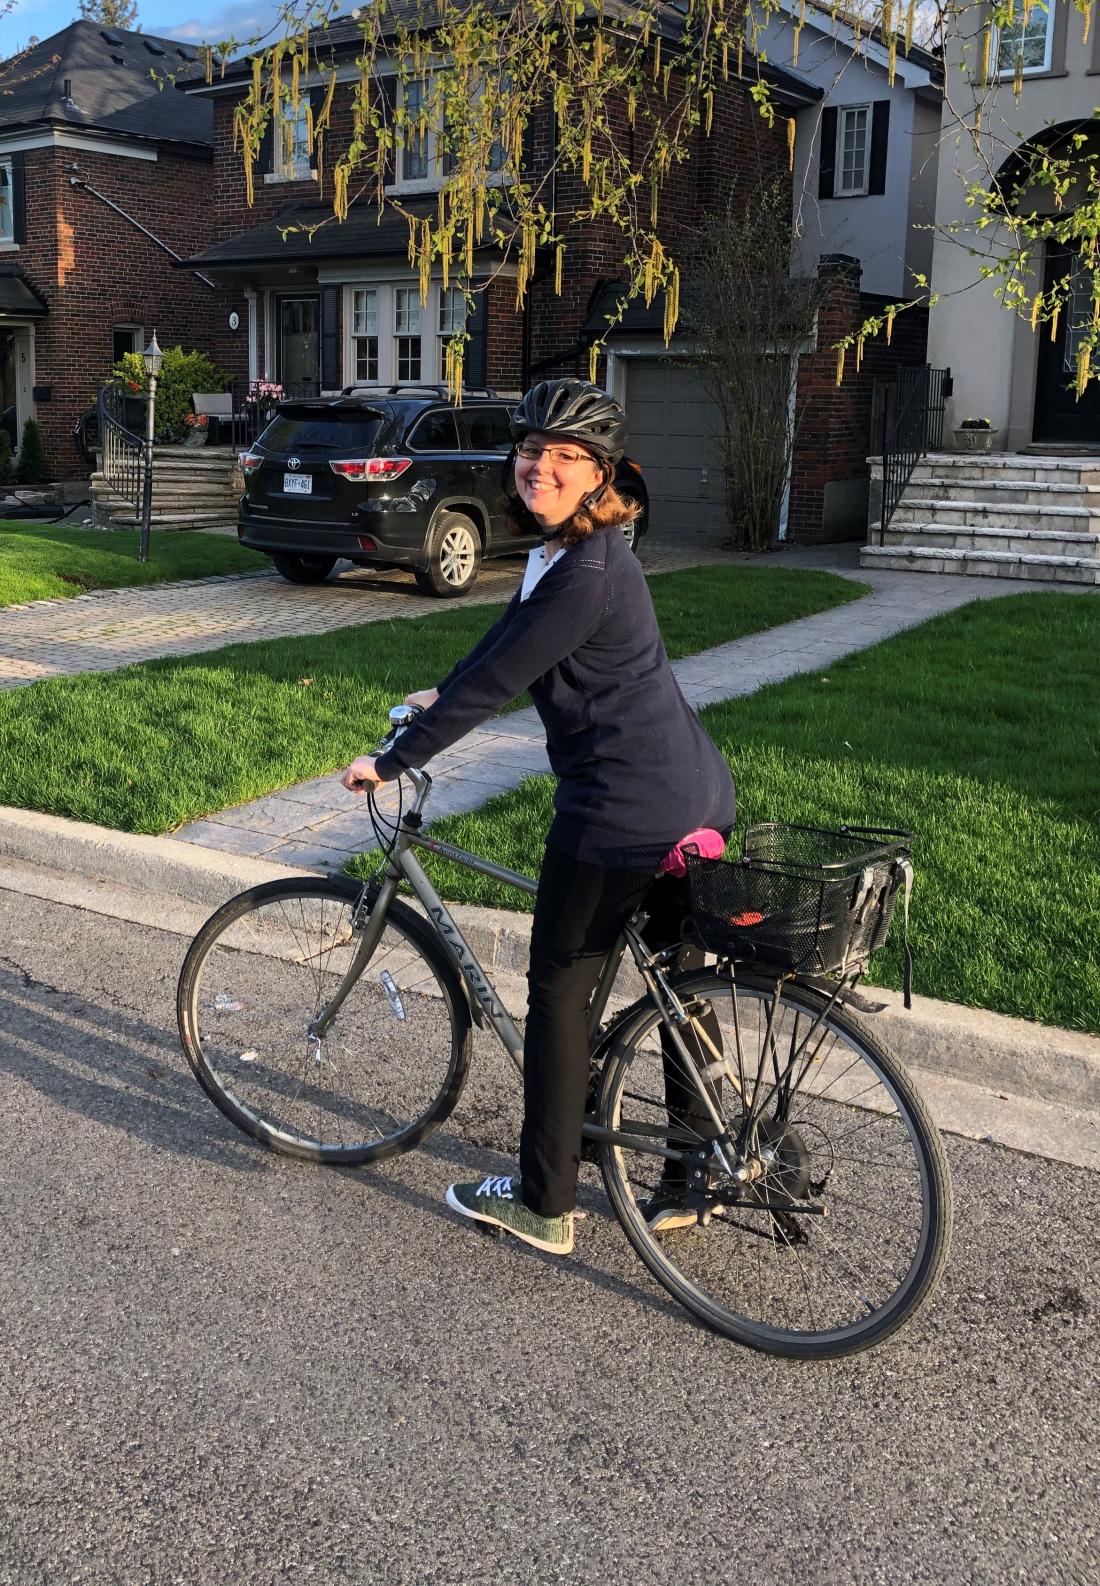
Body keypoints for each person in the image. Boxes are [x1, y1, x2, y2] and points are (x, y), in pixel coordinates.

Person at [342, 378, 736, 1255]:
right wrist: (439, 689)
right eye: (531, 451)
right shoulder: (576, 550)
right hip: (693, 793)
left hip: (623, 812)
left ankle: (543, 1199)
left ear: (599, 473)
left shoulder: (586, 569)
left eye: (565, 456)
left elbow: (498, 685)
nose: (541, 468)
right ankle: (698, 1164)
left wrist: (394, 759)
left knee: (558, 996)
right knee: (679, 981)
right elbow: (504, 643)